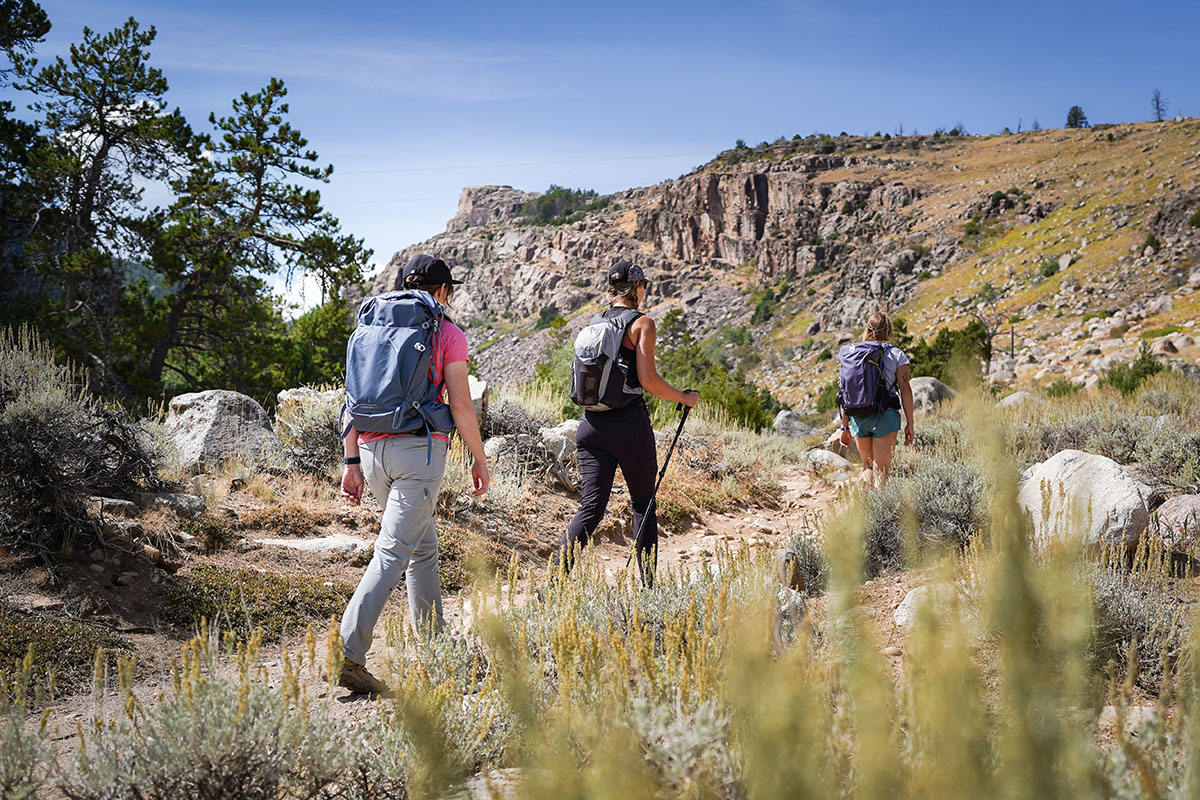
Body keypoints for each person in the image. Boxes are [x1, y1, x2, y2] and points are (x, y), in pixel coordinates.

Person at [337, 254, 489, 695]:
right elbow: (460, 404)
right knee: (392, 552)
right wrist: (479, 458)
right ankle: (347, 650)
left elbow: (349, 399)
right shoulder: (446, 332)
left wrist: (351, 463)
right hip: (418, 456)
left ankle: (435, 647)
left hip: (369, 450)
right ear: (442, 291)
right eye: (451, 291)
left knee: (423, 548)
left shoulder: (369, 328)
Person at [558, 259, 699, 584]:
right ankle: (649, 590)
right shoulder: (642, 324)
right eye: (643, 286)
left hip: (590, 426)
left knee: (590, 509)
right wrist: (683, 397)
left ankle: (552, 584)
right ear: (637, 288)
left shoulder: (593, 323)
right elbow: (648, 381)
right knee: (643, 504)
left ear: (611, 288)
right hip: (629, 427)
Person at [838, 311, 914, 489]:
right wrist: (910, 422)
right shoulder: (896, 354)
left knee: (867, 467)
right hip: (885, 418)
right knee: (882, 472)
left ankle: (865, 511)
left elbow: (843, 391)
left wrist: (844, 426)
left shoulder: (853, 355)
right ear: (888, 330)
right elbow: (905, 389)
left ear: (867, 329)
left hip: (858, 417)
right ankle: (879, 514)